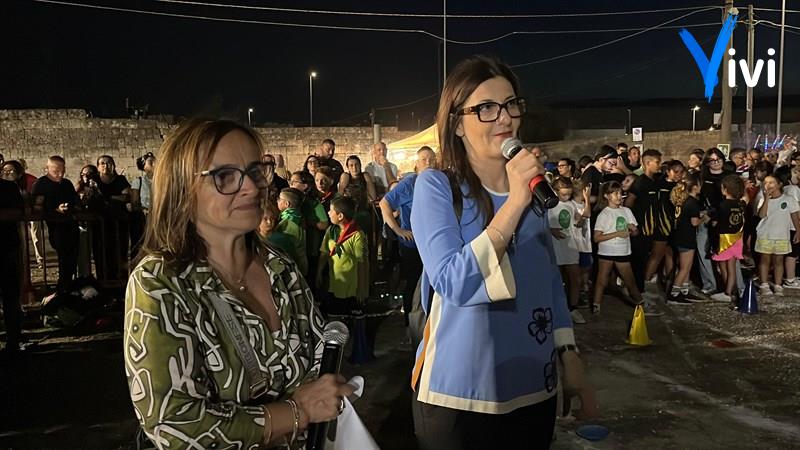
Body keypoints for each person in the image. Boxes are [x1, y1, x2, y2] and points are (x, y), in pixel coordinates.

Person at [124, 119, 353, 449]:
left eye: (256, 171)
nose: (252, 187)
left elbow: (318, 360)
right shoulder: (160, 283)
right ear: (182, 190)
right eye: (225, 176)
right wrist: (297, 412)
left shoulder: (280, 267)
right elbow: (173, 423)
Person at [409, 55, 595, 450]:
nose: (504, 118)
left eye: (511, 104)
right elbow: (453, 282)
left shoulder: (534, 193)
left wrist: (569, 354)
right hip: (459, 394)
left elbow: (548, 279)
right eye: (486, 108)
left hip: (533, 387)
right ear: (457, 123)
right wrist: (513, 203)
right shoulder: (436, 187)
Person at [379, 146, 436, 326]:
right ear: (417, 164)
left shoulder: (438, 180)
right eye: (424, 159)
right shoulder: (410, 183)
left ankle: (429, 321)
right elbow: (384, 204)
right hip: (412, 245)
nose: (428, 163)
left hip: (433, 243)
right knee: (413, 282)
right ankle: (411, 323)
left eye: (431, 159)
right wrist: (398, 230)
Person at [592, 181, 643, 314]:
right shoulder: (604, 214)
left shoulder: (626, 211)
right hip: (606, 252)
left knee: (629, 280)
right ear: (607, 196)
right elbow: (597, 238)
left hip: (623, 251)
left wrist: (633, 229)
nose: (619, 196)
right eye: (615, 193)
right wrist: (617, 233)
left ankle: (640, 303)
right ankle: (596, 305)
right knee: (602, 280)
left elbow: (636, 232)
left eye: (620, 193)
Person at [31, 156, 79, 292]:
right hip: (56, 226)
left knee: (72, 256)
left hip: (70, 223)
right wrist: (54, 209)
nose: (60, 174)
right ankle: (63, 287)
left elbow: (75, 201)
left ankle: (68, 284)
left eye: (62, 170)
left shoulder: (67, 184)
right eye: (55, 170)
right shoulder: (40, 184)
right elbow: (37, 207)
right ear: (47, 169)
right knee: (63, 256)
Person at [548, 177, 588, 325]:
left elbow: (577, 221)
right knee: (556, 280)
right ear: (555, 191)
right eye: (563, 194)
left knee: (575, 279)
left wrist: (581, 218)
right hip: (555, 247)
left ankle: (572, 308)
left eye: (569, 194)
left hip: (570, 245)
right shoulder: (549, 205)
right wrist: (550, 230)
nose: (566, 197)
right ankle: (555, 308)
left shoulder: (571, 204)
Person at [755, 174, 800, 297]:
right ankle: (764, 284)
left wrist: (798, 231)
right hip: (765, 234)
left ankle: (778, 284)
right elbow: (762, 215)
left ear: (779, 184)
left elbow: (795, 216)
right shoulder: (762, 199)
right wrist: (766, 199)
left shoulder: (789, 199)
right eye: (766, 183)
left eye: (771, 183)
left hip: (782, 234)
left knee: (779, 260)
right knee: (765, 259)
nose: (768, 185)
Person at [709, 175, 746, 306]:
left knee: (724, 267)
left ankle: (728, 293)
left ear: (725, 189)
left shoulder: (722, 205)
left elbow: (715, 222)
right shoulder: (741, 204)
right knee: (731, 267)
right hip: (737, 238)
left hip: (724, 239)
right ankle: (730, 291)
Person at [668, 174, 705, 305]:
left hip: (679, 236)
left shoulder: (683, 201)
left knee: (686, 267)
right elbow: (694, 222)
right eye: (699, 185)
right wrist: (705, 218)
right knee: (685, 267)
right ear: (695, 187)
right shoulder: (692, 202)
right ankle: (674, 294)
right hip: (686, 238)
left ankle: (684, 291)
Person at [94, 155, 131, 282]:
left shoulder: (120, 180)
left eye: (109, 163)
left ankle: (121, 281)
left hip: (119, 221)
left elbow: (126, 196)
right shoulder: (94, 181)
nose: (106, 165)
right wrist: (115, 197)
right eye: (102, 163)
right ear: (98, 167)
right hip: (99, 223)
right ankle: (103, 280)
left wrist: (108, 198)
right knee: (101, 252)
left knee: (120, 250)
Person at [0, 176, 24, 354]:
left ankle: (13, 340)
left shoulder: (8, 188)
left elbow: (17, 213)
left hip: (5, 248)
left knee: (10, 297)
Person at [276, 187, 308, 275]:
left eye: (279, 199)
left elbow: (287, 245)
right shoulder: (297, 215)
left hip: (295, 265)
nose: (277, 201)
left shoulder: (289, 221)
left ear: (287, 204)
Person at [129, 152, 155, 259]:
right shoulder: (138, 181)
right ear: (144, 166)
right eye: (151, 162)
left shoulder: (164, 180)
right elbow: (134, 203)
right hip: (143, 220)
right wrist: (144, 209)